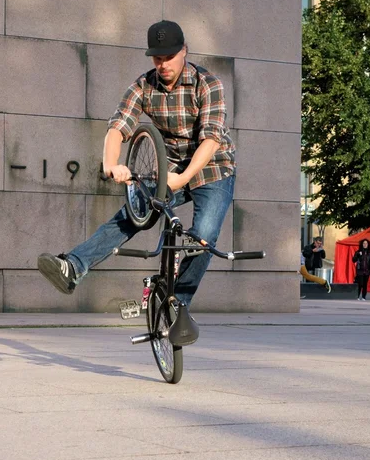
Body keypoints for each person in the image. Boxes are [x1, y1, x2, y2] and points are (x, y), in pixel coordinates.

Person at [37, 20, 236, 309]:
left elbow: (211, 139)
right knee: (132, 214)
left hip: (214, 168)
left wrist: (181, 180)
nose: (163, 64)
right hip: (169, 167)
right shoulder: (143, 86)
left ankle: (177, 305)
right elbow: (118, 127)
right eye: (158, 58)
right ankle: (74, 266)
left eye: (169, 57)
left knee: (203, 235)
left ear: (184, 51)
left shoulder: (208, 84)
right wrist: (111, 163)